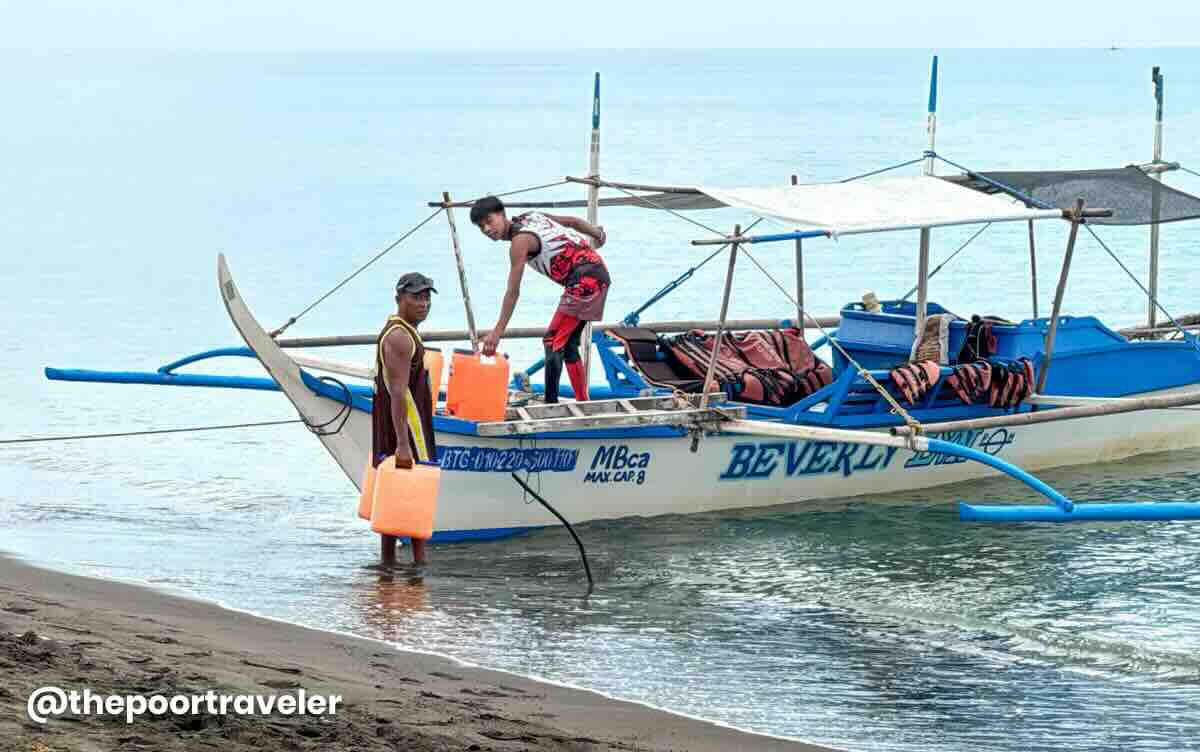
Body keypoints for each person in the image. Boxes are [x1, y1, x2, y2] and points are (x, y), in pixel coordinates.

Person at [469, 195, 610, 403]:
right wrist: (597, 234)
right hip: (596, 273)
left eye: (489, 221)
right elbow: (572, 222)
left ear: (502, 214)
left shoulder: (519, 242)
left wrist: (497, 333)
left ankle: (550, 405)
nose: (488, 229)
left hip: (584, 280)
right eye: (481, 228)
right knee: (568, 343)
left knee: (552, 341)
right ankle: (583, 400)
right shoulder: (532, 216)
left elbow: (513, 292)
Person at [372, 272, 438, 565]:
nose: (423, 303)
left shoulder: (404, 331)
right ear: (399, 299)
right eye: (416, 297)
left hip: (399, 424)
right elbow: (398, 393)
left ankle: (389, 569)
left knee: (395, 491)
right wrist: (403, 443)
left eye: (427, 297)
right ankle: (418, 569)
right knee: (415, 491)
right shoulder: (399, 337)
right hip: (407, 427)